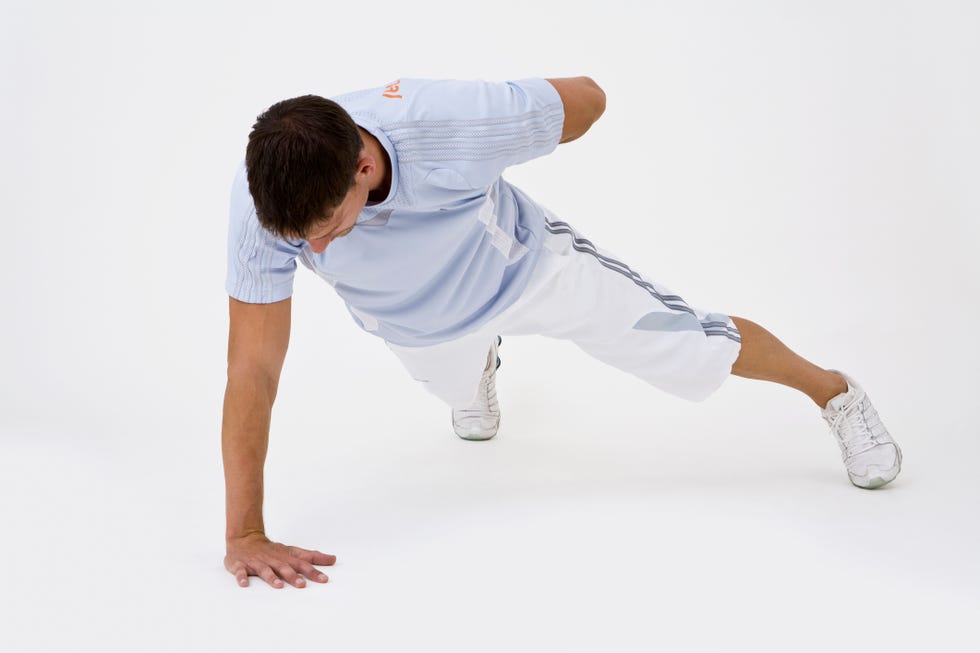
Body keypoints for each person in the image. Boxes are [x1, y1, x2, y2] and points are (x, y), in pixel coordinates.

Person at [221, 76, 902, 589]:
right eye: (307, 245)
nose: (324, 252)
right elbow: (253, 368)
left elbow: (589, 97)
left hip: (528, 269)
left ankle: (835, 393)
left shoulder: (448, 125)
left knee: (688, 340)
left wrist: (536, 120)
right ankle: (477, 367)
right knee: (462, 409)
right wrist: (245, 532)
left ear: (364, 168)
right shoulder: (266, 206)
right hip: (418, 324)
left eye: (329, 228)